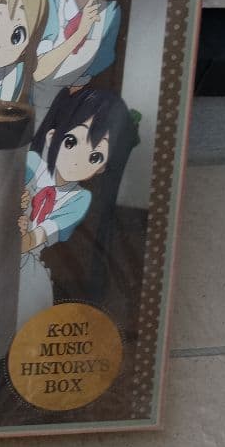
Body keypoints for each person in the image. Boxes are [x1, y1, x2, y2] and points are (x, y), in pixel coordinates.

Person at [16, 86, 136, 329]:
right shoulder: (30, 163)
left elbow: (35, 240)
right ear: (52, 137)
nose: (78, 160)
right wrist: (15, 202)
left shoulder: (78, 200)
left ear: (102, 167)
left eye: (95, 157)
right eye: (71, 142)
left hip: (26, 266)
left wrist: (24, 229)